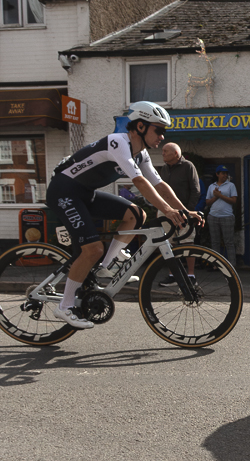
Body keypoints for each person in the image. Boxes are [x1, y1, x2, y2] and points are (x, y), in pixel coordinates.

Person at [46, 102, 201, 328]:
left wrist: (184, 210)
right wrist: (168, 211)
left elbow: (160, 185)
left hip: (85, 194)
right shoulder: (118, 142)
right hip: (63, 192)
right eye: (158, 130)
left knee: (136, 214)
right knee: (93, 249)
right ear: (140, 126)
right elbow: (140, 182)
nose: (162, 136)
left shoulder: (142, 154)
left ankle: (106, 266)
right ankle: (65, 306)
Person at [159, 142, 201, 287]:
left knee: (187, 241)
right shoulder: (164, 168)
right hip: (166, 211)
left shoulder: (188, 166)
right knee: (168, 243)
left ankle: (191, 275)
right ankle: (173, 275)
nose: (162, 153)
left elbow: (195, 190)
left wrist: (188, 211)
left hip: (184, 211)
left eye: (166, 151)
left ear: (176, 153)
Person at [205, 165, 238, 263]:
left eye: (226, 173)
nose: (225, 175)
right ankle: (216, 265)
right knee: (215, 242)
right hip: (213, 216)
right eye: (223, 173)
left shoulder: (231, 185)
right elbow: (207, 202)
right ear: (217, 174)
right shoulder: (211, 186)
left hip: (227, 217)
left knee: (229, 242)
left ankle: (232, 265)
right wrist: (216, 197)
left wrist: (220, 195)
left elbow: (233, 200)